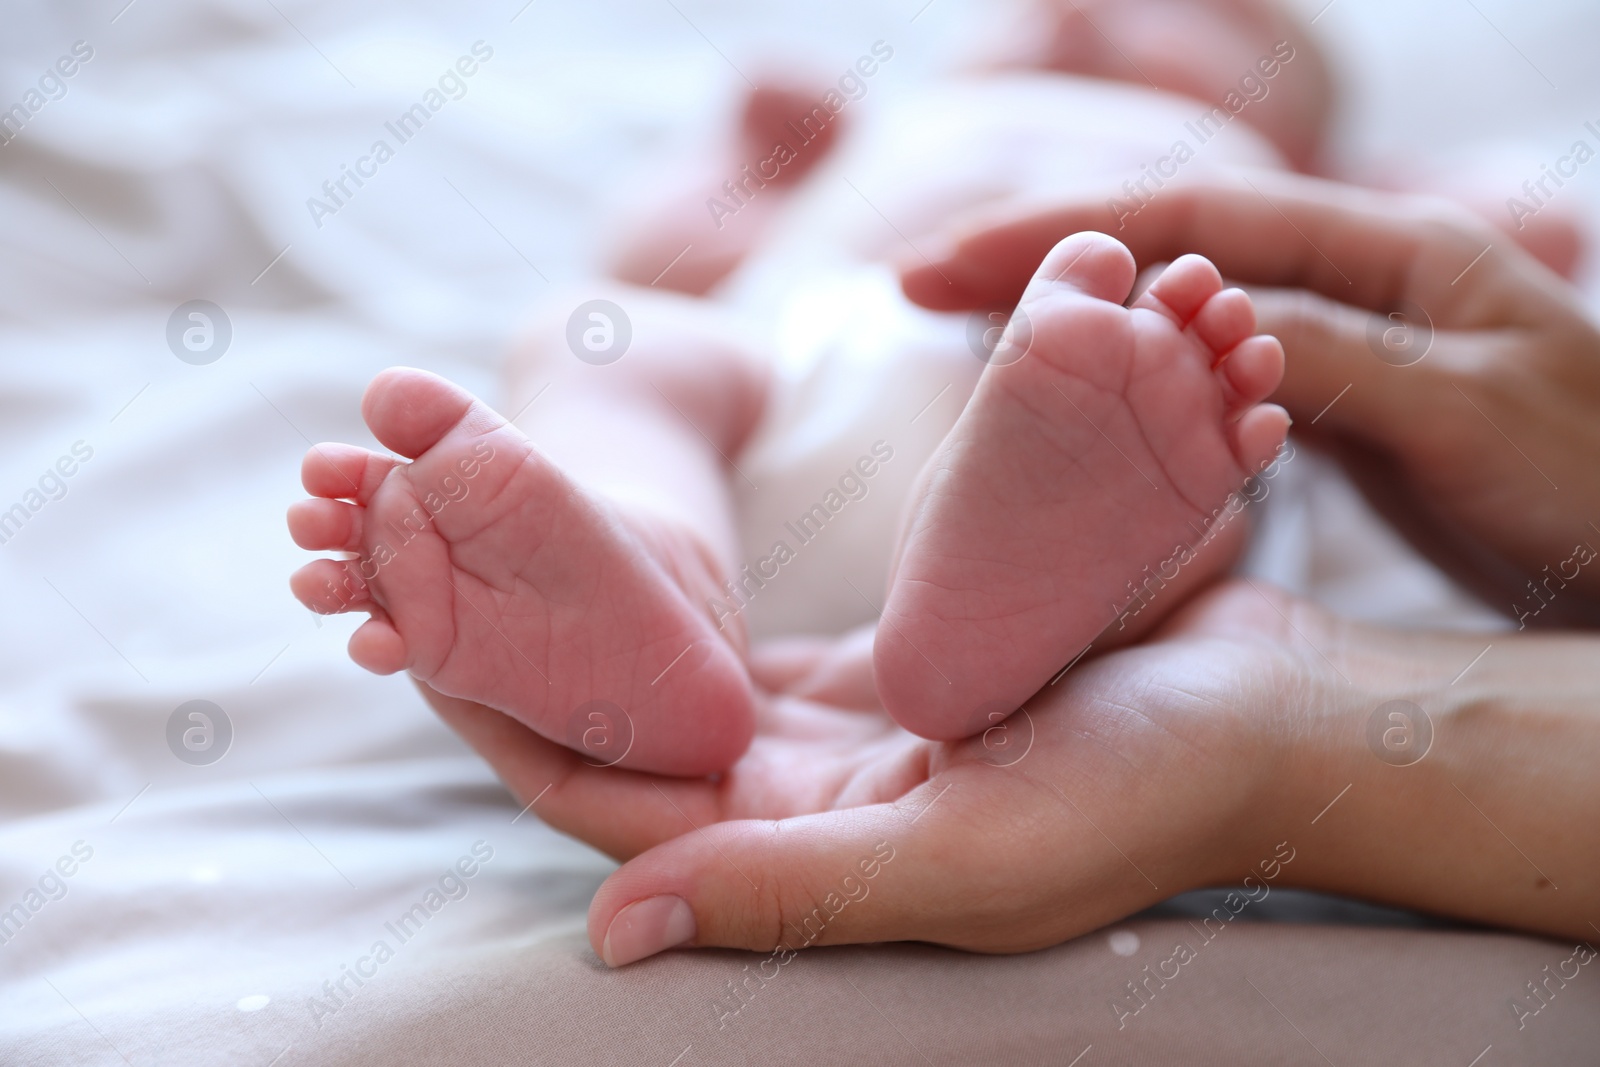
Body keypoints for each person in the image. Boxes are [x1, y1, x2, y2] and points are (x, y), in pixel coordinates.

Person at [426, 175, 1600, 968]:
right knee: (619, 332)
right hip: (798, 371)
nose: (1086, 18)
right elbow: (671, 240)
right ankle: (651, 555)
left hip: (1107, 410)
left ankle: (1010, 596)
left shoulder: (1288, 229)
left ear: (1306, 145)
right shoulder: (852, 149)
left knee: (1212, 458)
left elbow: (1512, 234)